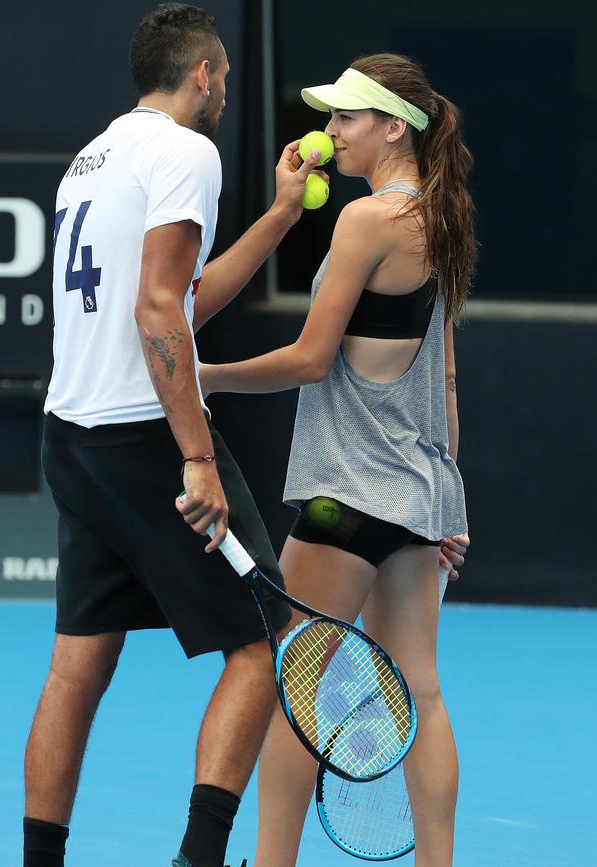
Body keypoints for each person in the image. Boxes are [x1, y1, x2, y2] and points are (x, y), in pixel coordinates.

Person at [22, 5, 325, 867]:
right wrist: (197, 454)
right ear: (201, 73)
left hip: (71, 439)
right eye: (224, 75)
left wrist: (277, 216)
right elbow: (158, 308)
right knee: (265, 643)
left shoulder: (92, 159)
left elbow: (182, 296)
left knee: (77, 666)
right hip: (146, 437)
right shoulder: (190, 152)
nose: (225, 89)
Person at [200, 54, 474, 867]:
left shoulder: (364, 223)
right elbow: (446, 378)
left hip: (342, 499)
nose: (327, 135)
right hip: (416, 496)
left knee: (294, 697)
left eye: (344, 119)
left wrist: (199, 375)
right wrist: (448, 505)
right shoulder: (443, 221)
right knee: (420, 688)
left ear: (394, 126)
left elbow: (312, 358)